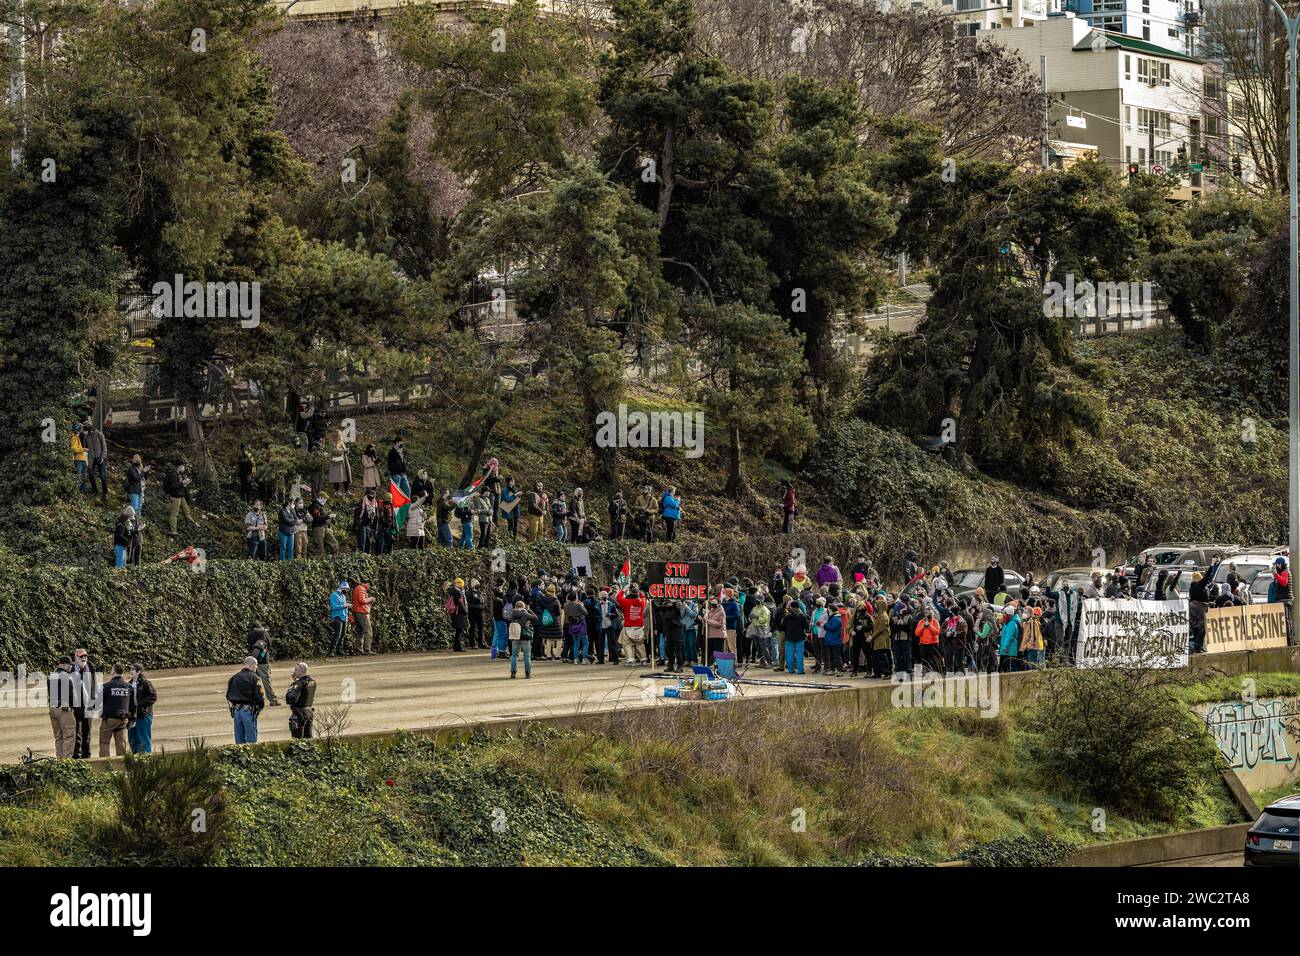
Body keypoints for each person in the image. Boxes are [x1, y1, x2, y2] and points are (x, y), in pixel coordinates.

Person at [98, 664, 134, 758]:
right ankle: (121, 766)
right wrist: (132, 719)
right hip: (123, 719)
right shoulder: (128, 686)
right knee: (121, 744)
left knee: (104, 743)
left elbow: (97, 703)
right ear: (122, 673)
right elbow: (133, 705)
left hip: (109, 719)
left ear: (113, 672)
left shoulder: (106, 686)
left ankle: (105, 766)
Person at [227, 657, 266, 744]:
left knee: (239, 742)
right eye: (256, 666)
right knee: (252, 741)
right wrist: (260, 706)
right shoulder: (254, 677)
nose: (256, 668)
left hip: (236, 711)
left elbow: (228, 696)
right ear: (251, 665)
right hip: (248, 711)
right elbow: (259, 696)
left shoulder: (234, 678)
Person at [47, 657, 77, 759]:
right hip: (64, 709)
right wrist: (73, 707)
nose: (71, 667)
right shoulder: (66, 676)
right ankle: (67, 762)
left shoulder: (51, 675)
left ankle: (59, 761)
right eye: (70, 665)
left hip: (53, 708)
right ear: (64, 665)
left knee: (58, 737)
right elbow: (71, 694)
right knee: (68, 736)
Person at [247, 621, 280, 705]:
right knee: (266, 681)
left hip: (253, 661)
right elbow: (264, 645)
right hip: (262, 661)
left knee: (254, 681)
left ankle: (256, 699)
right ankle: (273, 700)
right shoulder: (263, 635)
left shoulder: (251, 635)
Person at [71, 649, 96, 759]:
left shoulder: (90, 668)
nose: (83, 658)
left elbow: (94, 687)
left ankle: (87, 756)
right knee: (77, 734)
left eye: (85, 656)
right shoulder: (70, 669)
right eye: (81, 656)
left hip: (89, 706)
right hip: (76, 707)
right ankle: (77, 756)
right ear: (76, 657)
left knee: (87, 734)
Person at [126, 665, 156, 753]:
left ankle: (145, 759)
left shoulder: (146, 683)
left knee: (143, 738)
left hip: (143, 715)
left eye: (133, 670)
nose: (131, 671)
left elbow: (153, 696)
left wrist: (139, 704)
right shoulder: (129, 683)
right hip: (132, 716)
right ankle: (135, 759)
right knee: (132, 738)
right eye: (130, 669)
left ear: (139, 672)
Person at [163, 460, 197, 536]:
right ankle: (173, 530)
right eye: (183, 466)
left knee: (186, 511)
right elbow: (173, 486)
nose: (183, 468)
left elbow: (179, 485)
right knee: (174, 513)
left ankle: (192, 525)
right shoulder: (173, 474)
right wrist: (183, 482)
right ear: (179, 466)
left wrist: (185, 483)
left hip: (181, 495)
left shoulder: (178, 474)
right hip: (175, 496)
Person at [616, 585, 648, 665]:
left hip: (628, 627)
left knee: (627, 644)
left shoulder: (627, 602)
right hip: (639, 626)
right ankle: (643, 659)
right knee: (640, 644)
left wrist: (624, 590)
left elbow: (618, 597)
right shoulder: (642, 602)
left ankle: (630, 660)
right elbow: (643, 597)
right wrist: (638, 590)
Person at [285, 663, 317, 738]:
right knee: (308, 738)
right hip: (309, 712)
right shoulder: (312, 682)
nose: (294, 672)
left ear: (301, 671)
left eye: (296, 670)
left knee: (297, 740)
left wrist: (294, 684)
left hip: (299, 714)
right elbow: (304, 693)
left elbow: (290, 699)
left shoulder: (298, 684)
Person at [508, 601, 538, 678]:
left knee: (514, 655)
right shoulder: (526, 614)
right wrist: (529, 610)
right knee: (527, 656)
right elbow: (535, 618)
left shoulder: (512, 614)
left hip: (515, 636)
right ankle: (527, 673)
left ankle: (513, 672)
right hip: (525, 636)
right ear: (523, 607)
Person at [782, 597, 808, 674]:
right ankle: (800, 670)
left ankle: (790, 669)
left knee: (789, 653)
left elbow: (782, 626)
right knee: (799, 653)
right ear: (799, 607)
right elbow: (806, 626)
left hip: (789, 637)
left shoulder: (787, 616)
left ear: (791, 607)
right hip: (800, 637)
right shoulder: (802, 616)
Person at [86, 422, 109, 501]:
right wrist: (88, 459)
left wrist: (103, 457)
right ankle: (94, 490)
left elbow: (104, 446)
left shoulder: (99, 434)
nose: (87, 430)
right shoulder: (86, 436)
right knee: (91, 475)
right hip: (91, 459)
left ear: (91, 427)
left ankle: (105, 493)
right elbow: (85, 448)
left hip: (100, 458)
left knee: (102, 476)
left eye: (88, 427)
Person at [446, 578, 469, 652]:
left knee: (458, 631)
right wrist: (465, 611)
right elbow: (460, 604)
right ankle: (458, 647)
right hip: (458, 613)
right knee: (459, 630)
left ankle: (456, 646)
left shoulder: (453, 592)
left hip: (456, 613)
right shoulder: (458, 593)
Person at [329, 582, 352, 656]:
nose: (347, 590)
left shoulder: (343, 596)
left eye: (347, 589)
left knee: (342, 635)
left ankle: (339, 650)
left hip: (344, 617)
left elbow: (344, 607)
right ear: (341, 588)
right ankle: (331, 651)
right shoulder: (334, 595)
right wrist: (344, 605)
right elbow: (333, 607)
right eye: (346, 589)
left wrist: (347, 607)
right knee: (337, 635)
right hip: (337, 617)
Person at [71, 423, 89, 493]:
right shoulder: (74, 438)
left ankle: (83, 492)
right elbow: (74, 449)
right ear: (78, 430)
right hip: (78, 460)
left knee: (83, 477)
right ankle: (77, 493)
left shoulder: (77, 438)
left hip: (82, 459)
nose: (81, 431)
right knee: (79, 477)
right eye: (80, 429)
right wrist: (83, 449)